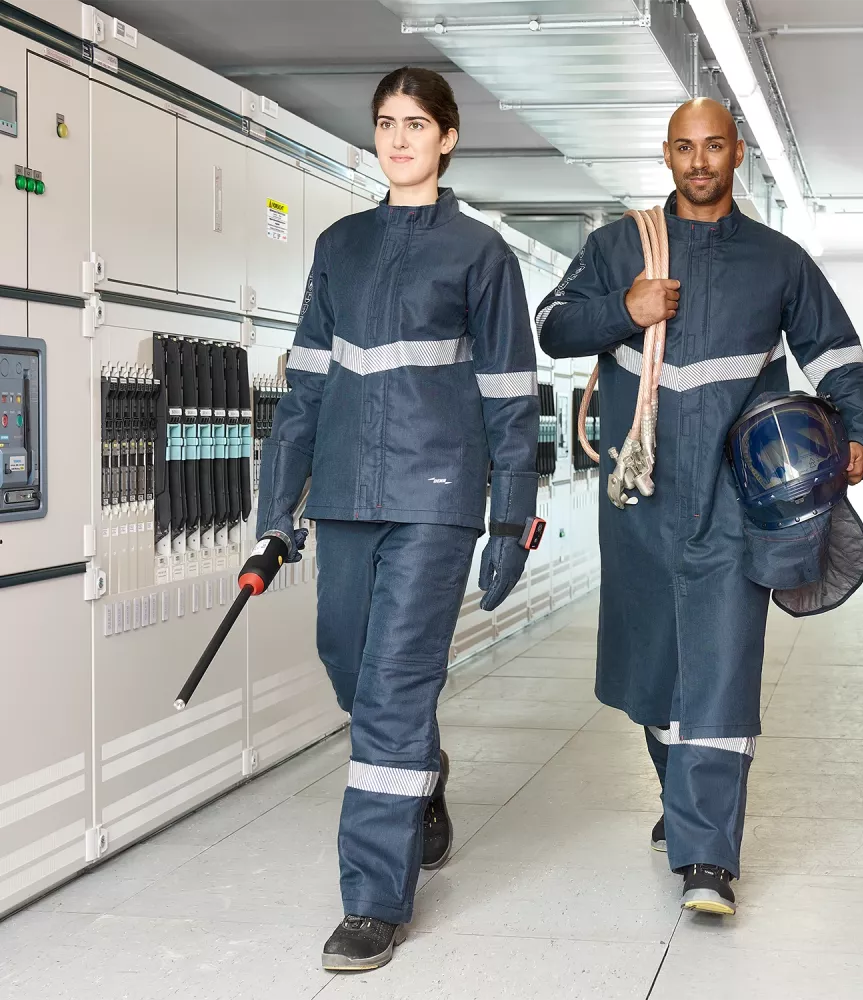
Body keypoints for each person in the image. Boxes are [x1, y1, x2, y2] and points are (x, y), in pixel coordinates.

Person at [536, 98, 863, 915]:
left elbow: (838, 355)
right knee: (656, 667)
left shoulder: (778, 261)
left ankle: (707, 857)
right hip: (642, 495)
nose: (700, 162)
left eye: (715, 147)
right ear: (667, 155)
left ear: (736, 154)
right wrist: (625, 310)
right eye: (686, 148)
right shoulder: (617, 246)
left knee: (723, 664)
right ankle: (682, 794)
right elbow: (551, 326)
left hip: (737, 496)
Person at [255, 67, 541, 970]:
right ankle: (424, 769)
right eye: (386, 123)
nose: (400, 139)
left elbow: (512, 397)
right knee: (346, 660)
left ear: (447, 138)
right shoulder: (339, 247)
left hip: (437, 498)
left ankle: (373, 903)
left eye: (417, 124)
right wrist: (276, 511)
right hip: (345, 495)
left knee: (390, 691)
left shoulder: (481, 254)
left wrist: (511, 518)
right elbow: (304, 390)